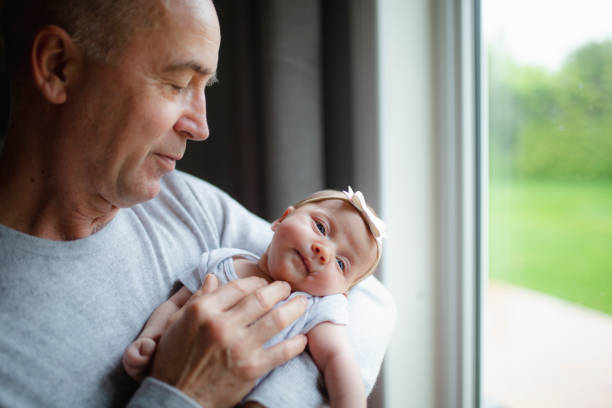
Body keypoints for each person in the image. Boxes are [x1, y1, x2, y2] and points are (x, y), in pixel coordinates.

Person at [0, 0, 396, 407]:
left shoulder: (185, 203)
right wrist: (185, 395)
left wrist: (266, 396)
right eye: (176, 83)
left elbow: (371, 303)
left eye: (204, 87)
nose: (201, 127)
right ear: (58, 66)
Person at [123, 188, 387, 407]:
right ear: (282, 218)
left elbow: (338, 360)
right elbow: (175, 303)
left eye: (341, 264)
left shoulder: (315, 307)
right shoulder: (223, 261)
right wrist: (151, 336)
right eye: (320, 227)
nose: (323, 252)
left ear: (342, 293)